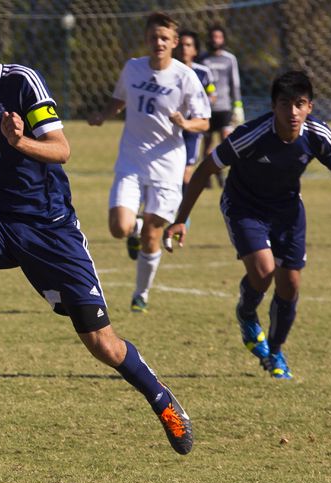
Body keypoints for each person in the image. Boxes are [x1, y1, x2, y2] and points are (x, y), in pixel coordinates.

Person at [0, 9, 194, 456]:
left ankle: (163, 400)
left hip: (51, 234)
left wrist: (20, 142)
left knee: (102, 344)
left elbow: (61, 149)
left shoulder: (22, 83)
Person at [165, 71, 331, 379]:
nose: (292, 112)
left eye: (300, 104)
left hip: (287, 210)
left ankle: (274, 351)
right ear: (273, 106)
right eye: (285, 104)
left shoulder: (319, 135)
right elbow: (206, 169)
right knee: (263, 272)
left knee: (290, 285)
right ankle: (247, 313)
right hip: (244, 205)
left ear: (310, 107)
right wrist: (180, 219)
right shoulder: (253, 134)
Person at [88, 12, 210, 313]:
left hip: (167, 165)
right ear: (147, 39)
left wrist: (185, 122)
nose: (159, 42)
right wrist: (104, 115)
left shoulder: (185, 77)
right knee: (119, 227)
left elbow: (205, 122)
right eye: (154, 37)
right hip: (132, 158)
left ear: (174, 42)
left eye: (164, 38)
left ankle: (141, 294)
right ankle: (135, 227)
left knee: (153, 236)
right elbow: (120, 98)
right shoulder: (133, 68)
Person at [200, 25, 243, 187]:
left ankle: (227, 176)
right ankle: (208, 177)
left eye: (218, 37)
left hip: (224, 108)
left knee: (227, 142)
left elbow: (235, 84)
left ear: (223, 39)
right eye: (213, 37)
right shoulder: (202, 59)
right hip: (206, 110)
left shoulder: (229, 59)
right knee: (207, 145)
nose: (215, 40)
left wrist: (238, 106)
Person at [175, 30, 216, 195]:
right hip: (172, 127)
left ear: (195, 50)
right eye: (182, 45)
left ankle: (182, 213)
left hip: (192, 128)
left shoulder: (203, 73)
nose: (184, 49)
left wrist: (203, 102)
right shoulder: (170, 70)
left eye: (189, 45)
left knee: (186, 171)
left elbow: (212, 93)